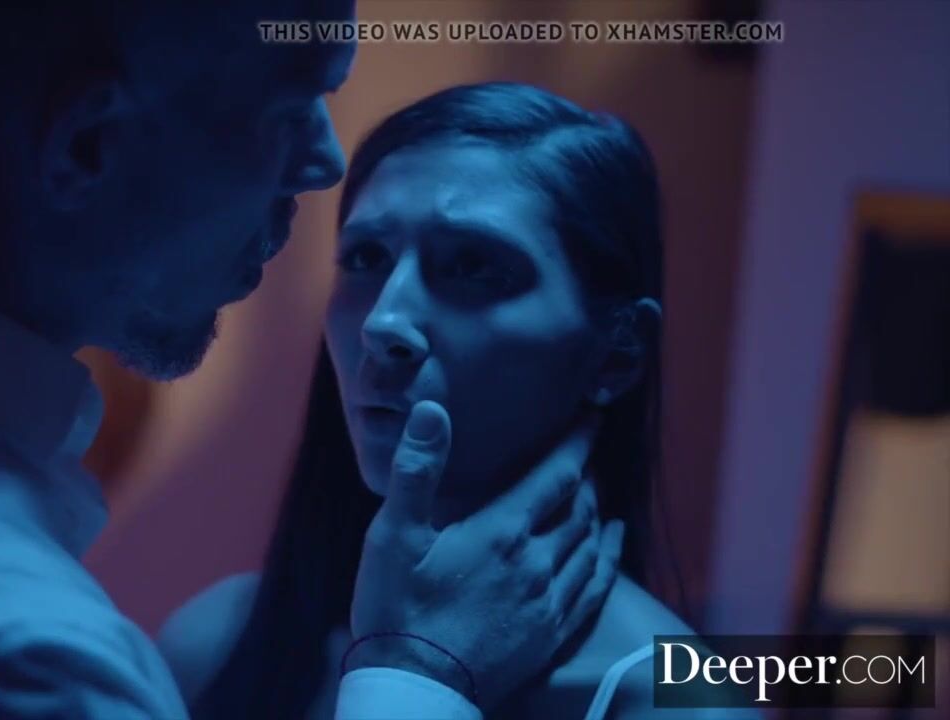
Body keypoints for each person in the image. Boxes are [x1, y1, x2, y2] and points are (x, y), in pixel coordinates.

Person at [0, 5, 620, 720]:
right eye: (292, 101)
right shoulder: (25, 662)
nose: (327, 162)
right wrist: (413, 686)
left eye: (476, 268)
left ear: (619, 348)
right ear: (89, 143)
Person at [159, 83, 755, 719]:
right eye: (366, 257)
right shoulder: (214, 645)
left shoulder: (677, 704)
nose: (384, 320)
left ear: (617, 354)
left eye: (473, 266)